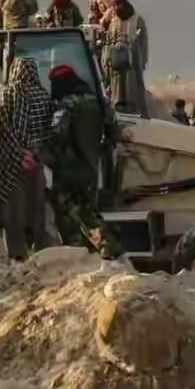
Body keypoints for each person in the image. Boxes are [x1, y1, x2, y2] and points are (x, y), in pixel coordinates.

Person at [40, 65, 120, 257]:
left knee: (68, 219)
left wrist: (50, 158)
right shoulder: (99, 102)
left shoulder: (67, 104)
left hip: (68, 171)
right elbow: (113, 133)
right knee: (89, 215)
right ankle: (109, 252)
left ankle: (77, 256)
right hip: (91, 170)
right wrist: (98, 150)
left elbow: (56, 136)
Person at [0, 57, 53, 260]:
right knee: (36, 210)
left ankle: (17, 255)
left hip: (11, 163)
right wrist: (35, 153)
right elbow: (49, 131)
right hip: (36, 162)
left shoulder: (8, 93)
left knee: (13, 211)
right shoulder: (44, 96)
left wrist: (17, 152)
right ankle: (39, 254)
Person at [103, 0, 149, 115]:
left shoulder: (137, 20)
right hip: (116, 62)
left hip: (133, 62)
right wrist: (107, 59)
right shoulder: (114, 21)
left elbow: (143, 42)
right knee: (116, 87)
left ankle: (137, 111)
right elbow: (109, 41)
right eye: (115, 5)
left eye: (119, 5)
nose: (116, 8)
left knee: (133, 86)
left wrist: (142, 61)